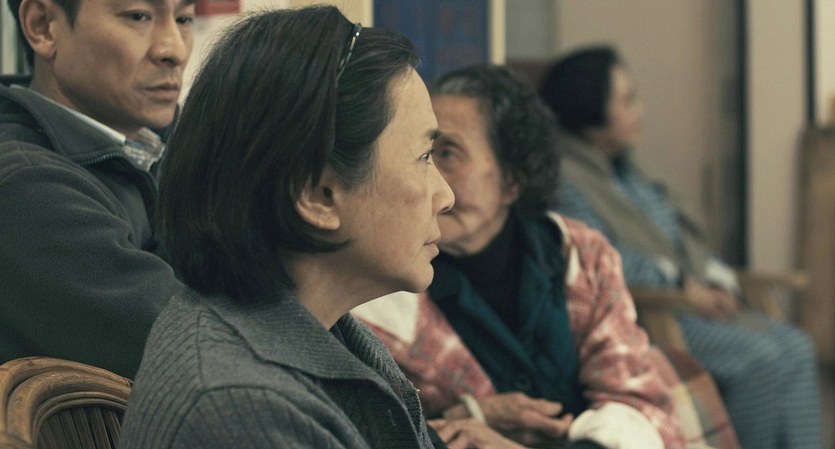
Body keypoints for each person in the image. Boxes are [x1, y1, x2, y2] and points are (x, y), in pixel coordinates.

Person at [117, 6, 547, 449]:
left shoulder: (326, 329)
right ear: (317, 196)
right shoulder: (242, 406)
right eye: (423, 157)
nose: (446, 196)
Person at [354, 65, 684, 449]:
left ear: (513, 179)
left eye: (449, 154)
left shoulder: (581, 255)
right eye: (424, 155)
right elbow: (365, 429)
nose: (432, 183)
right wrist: (467, 416)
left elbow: (638, 404)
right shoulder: (384, 288)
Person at [541, 45, 823, 449]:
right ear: (590, 115)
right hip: (653, 315)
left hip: (692, 305)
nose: (640, 110)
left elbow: (681, 240)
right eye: (627, 100)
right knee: (759, 359)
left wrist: (714, 279)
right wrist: (681, 285)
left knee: (797, 346)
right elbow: (598, 259)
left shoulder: (631, 170)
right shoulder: (566, 180)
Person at [0, 0, 192, 376]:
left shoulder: (166, 148)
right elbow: (198, 346)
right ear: (43, 25)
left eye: (184, 18)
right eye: (138, 16)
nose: (175, 50)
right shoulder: (25, 186)